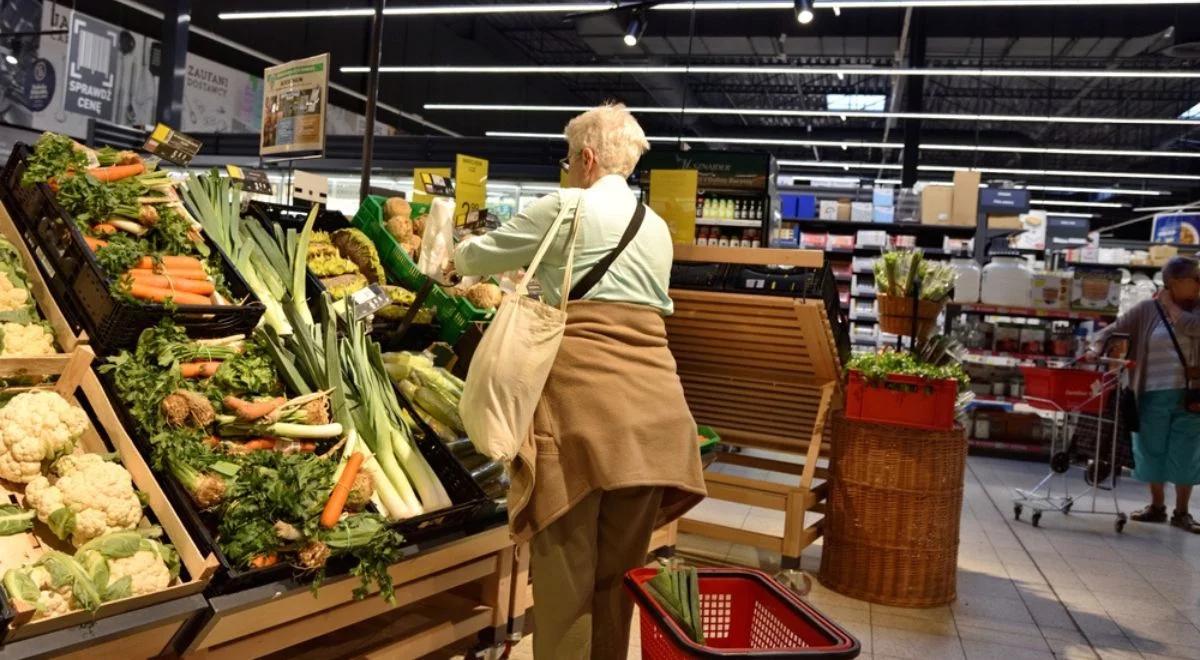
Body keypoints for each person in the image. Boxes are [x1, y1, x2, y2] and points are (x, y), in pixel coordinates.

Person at [453, 103, 707, 660]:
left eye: (568, 159)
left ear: (587, 158)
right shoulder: (658, 227)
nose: (566, 170)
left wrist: (460, 234)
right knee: (618, 578)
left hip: (582, 417)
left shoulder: (566, 206)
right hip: (657, 421)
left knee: (566, 583)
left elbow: (470, 257)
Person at [1092, 256, 1200, 532]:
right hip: (1151, 392)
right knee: (1151, 449)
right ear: (1174, 282)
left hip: (1193, 396)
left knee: (1186, 451)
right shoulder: (1146, 310)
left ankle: (1183, 511)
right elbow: (1112, 331)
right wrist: (1096, 348)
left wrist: (1170, 307)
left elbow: (1193, 327)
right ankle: (1157, 506)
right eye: (1196, 279)